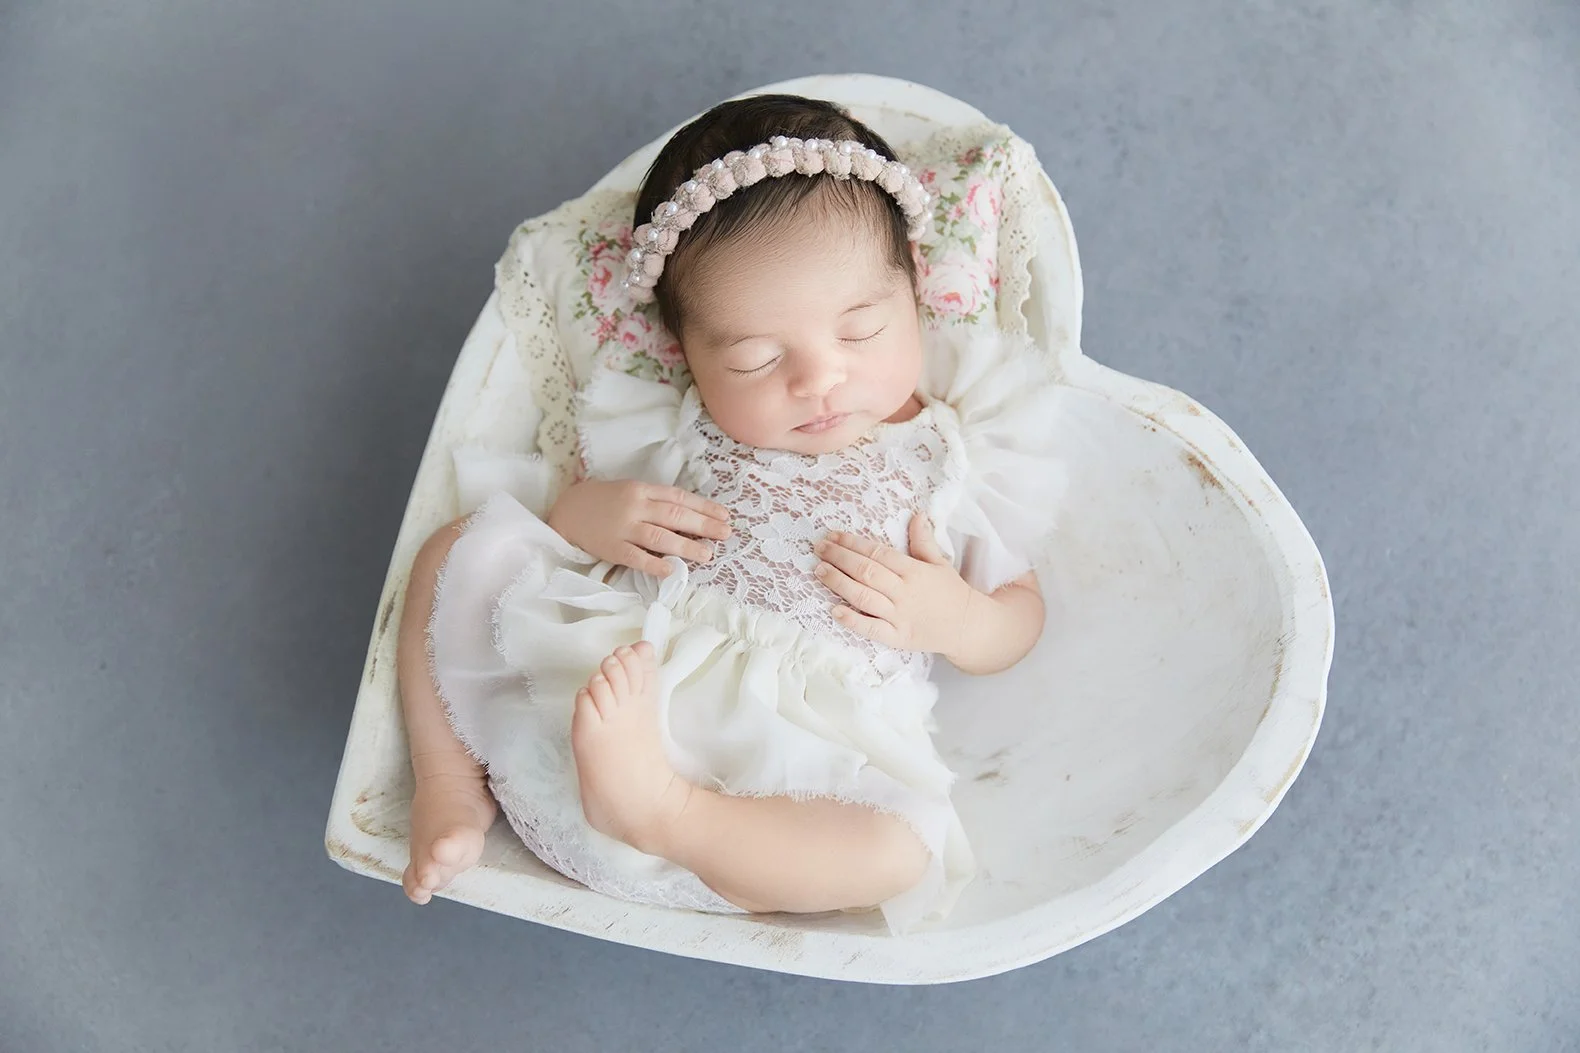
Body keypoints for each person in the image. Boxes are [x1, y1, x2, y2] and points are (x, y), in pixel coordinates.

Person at [397, 94, 1066, 931]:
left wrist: (957, 617)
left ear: (916, 292)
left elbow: (1020, 616)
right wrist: (585, 517)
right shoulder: (672, 418)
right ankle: (453, 782)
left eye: (860, 331)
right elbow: (578, 524)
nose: (818, 379)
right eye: (754, 357)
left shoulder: (954, 446)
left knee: (902, 849)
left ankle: (667, 813)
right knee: (461, 547)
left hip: (813, 742)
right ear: (689, 355)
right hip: (626, 681)